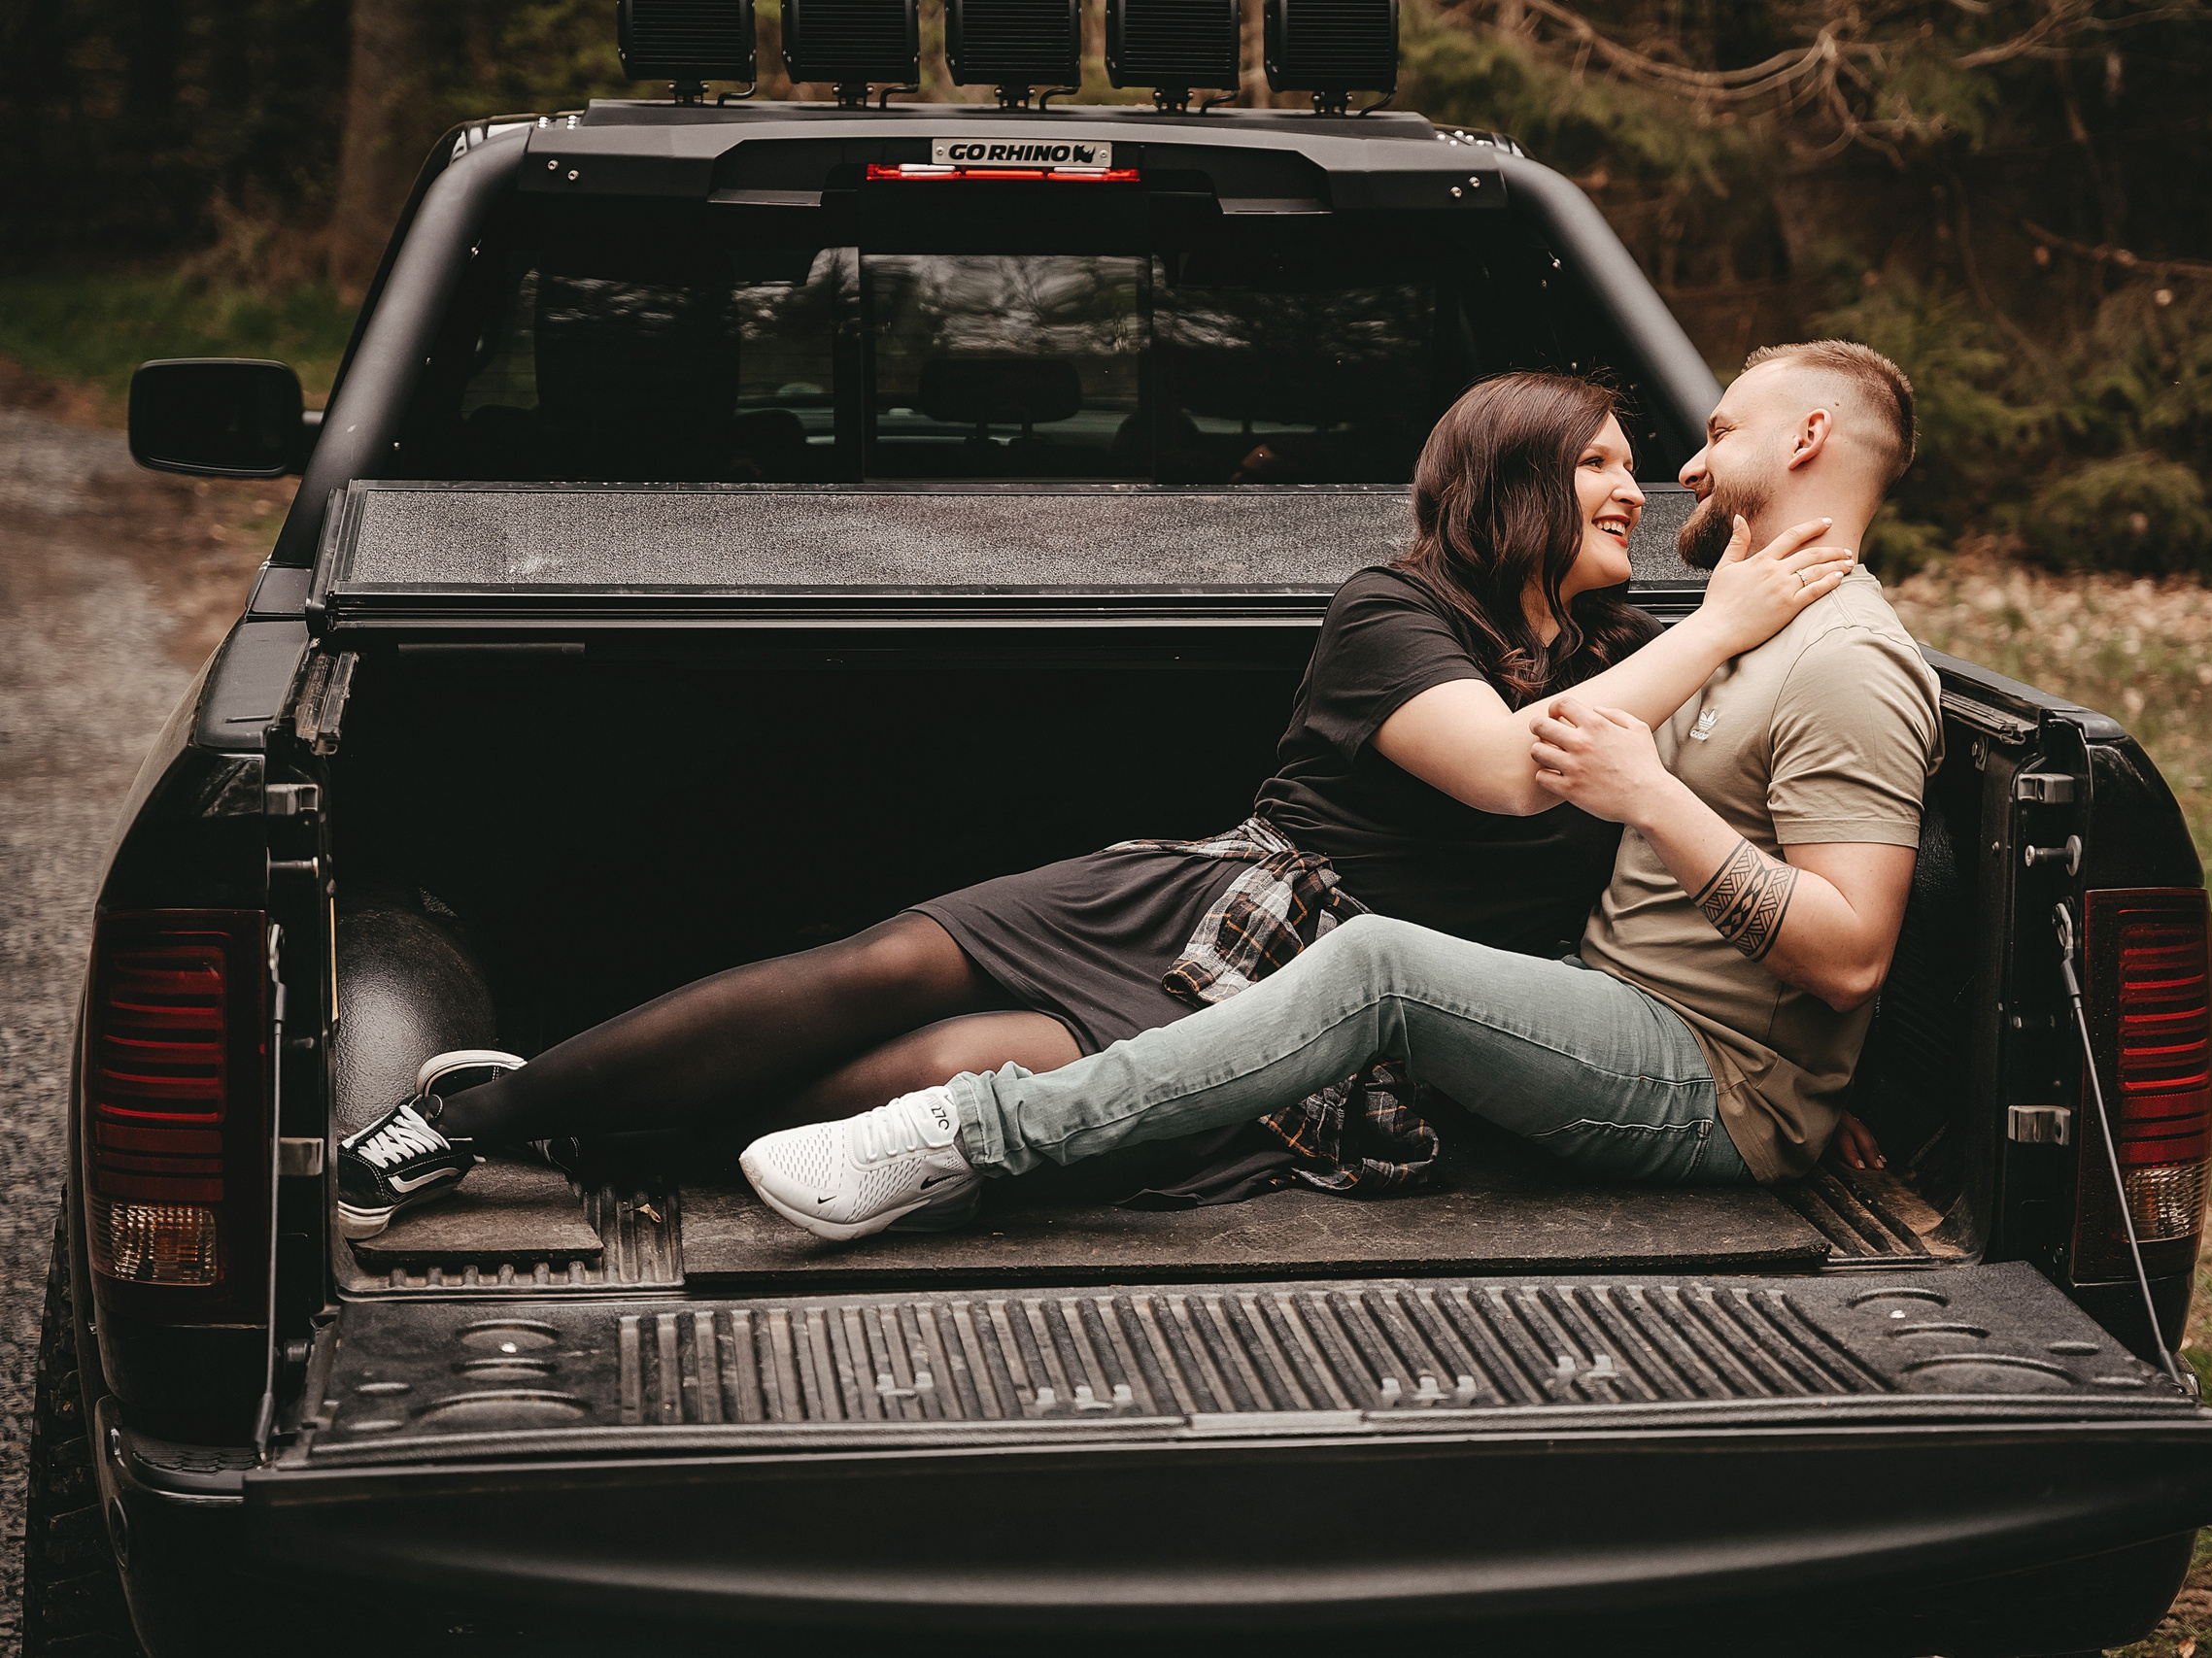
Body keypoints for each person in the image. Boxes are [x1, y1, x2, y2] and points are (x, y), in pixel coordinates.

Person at [335, 370, 1858, 1237]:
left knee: (932, 1067)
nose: (1634, 489)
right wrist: (1720, 621)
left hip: (1327, 1001)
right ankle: (478, 1111)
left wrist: (1752, 549)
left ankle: (632, 1141)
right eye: (1595, 463)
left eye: (1637, 467)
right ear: (1510, 481)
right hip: (1215, 902)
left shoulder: (1628, 651)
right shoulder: (1395, 610)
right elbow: (1517, 767)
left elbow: (1775, 658)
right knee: (868, 970)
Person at [737, 340, 1943, 1242]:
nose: (1684, 466)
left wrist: (1799, 1088)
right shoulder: (1724, 633)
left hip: (1698, 1072)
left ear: (1803, 440)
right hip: (1600, 1010)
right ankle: (649, 1113)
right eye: (1607, 461)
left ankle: (969, 1132)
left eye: (1718, 430)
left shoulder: (1841, 658)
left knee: (1381, 966)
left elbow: (1844, 958)